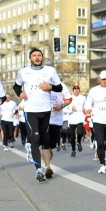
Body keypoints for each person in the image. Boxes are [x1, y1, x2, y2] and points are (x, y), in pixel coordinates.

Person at [13, 48, 63, 182]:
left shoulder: (50, 70)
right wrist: (20, 94)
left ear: (42, 57)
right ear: (30, 58)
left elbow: (59, 88)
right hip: (30, 110)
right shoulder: (24, 72)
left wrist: (50, 87)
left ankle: (48, 167)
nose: (37, 58)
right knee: (35, 138)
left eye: (39, 55)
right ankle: (38, 170)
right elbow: (16, 87)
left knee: (45, 140)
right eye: (34, 56)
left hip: (46, 110)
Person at [65, 85, 87, 157]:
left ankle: (79, 142)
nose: (76, 90)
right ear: (73, 90)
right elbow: (64, 109)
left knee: (80, 132)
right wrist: (71, 110)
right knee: (72, 136)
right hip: (71, 119)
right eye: (75, 89)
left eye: (77, 89)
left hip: (80, 118)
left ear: (79, 90)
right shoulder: (69, 98)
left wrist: (85, 109)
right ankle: (73, 150)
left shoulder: (83, 98)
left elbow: (86, 106)